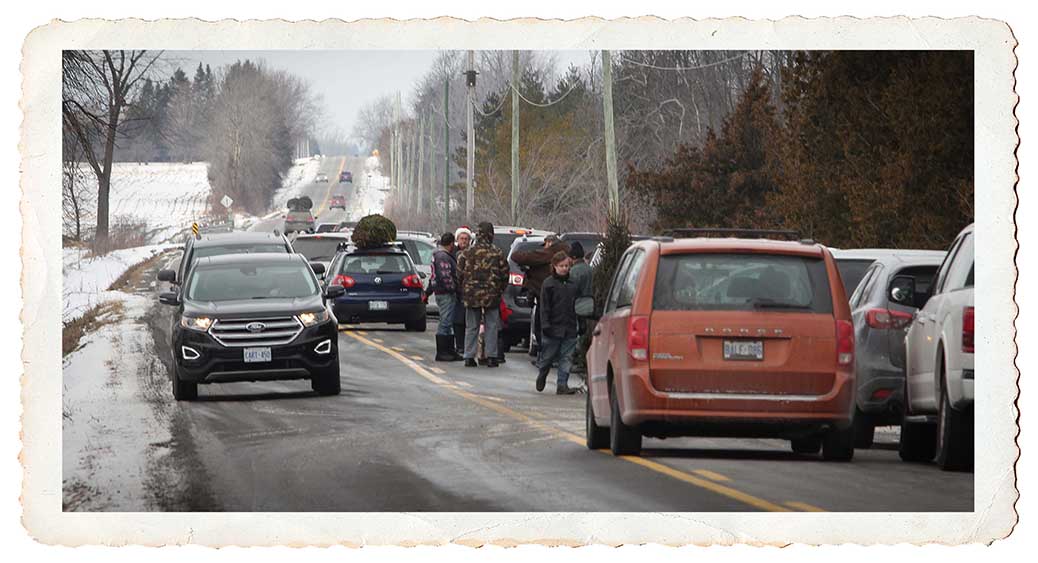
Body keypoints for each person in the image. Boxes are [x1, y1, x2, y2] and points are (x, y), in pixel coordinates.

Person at [456, 222, 509, 368]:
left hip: (471, 294)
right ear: (491, 234)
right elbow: (505, 274)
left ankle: (469, 356)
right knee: (491, 325)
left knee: (472, 326)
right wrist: (499, 290)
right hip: (492, 294)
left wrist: (464, 289)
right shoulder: (497, 252)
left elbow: (459, 274)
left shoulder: (466, 253)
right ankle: (492, 356)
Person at [510, 234, 570, 361]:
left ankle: (546, 356)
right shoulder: (567, 252)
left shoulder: (547, 254)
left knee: (542, 326)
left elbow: (519, 257)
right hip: (562, 299)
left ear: (549, 243)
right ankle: (554, 355)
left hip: (545, 297)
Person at [536, 251, 579, 394]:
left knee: (566, 357)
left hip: (570, 326)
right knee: (548, 356)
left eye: (567, 266)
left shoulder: (573, 284)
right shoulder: (548, 284)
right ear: (554, 266)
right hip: (553, 327)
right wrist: (545, 324)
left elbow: (578, 304)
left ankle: (562, 384)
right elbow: (544, 307)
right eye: (561, 266)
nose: (565, 268)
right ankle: (543, 373)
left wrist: (581, 321)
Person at [428, 232, 461, 362]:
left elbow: (433, 278)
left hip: (441, 292)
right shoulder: (443, 256)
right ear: (452, 243)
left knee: (448, 322)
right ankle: (442, 351)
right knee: (445, 322)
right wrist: (453, 289)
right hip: (445, 294)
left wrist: (427, 292)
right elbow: (445, 276)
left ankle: (449, 350)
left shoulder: (437, 255)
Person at [566, 241, 593, 380]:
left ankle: (576, 360)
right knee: (585, 332)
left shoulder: (574, 272)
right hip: (589, 304)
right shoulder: (589, 269)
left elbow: (571, 290)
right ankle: (582, 359)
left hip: (577, 305)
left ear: (573, 257)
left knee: (576, 334)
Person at [451, 226, 474, 355]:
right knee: (457, 319)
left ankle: (468, 346)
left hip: (470, 292)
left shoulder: (472, 253)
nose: (464, 241)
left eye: (466, 239)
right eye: (462, 238)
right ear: (457, 239)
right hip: (457, 291)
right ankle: (459, 345)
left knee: (469, 322)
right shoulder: (453, 253)